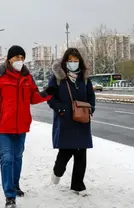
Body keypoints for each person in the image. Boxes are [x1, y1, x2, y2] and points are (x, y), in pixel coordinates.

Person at [0, 45, 55, 208]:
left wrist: (48, 92)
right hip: (3, 127)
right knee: (7, 158)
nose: (19, 60)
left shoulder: (27, 77)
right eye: (16, 57)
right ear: (9, 59)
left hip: (21, 126)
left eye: (22, 57)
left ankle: (15, 185)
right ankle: (9, 196)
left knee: (17, 158)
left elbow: (34, 97)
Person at [46, 48, 96, 195]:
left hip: (82, 120)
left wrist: (90, 109)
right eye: (70, 61)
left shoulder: (85, 79)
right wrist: (61, 109)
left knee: (81, 153)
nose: (73, 63)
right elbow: (50, 97)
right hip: (65, 120)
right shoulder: (57, 78)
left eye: (76, 61)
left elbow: (91, 98)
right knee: (65, 152)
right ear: (65, 62)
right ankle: (57, 171)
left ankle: (78, 185)